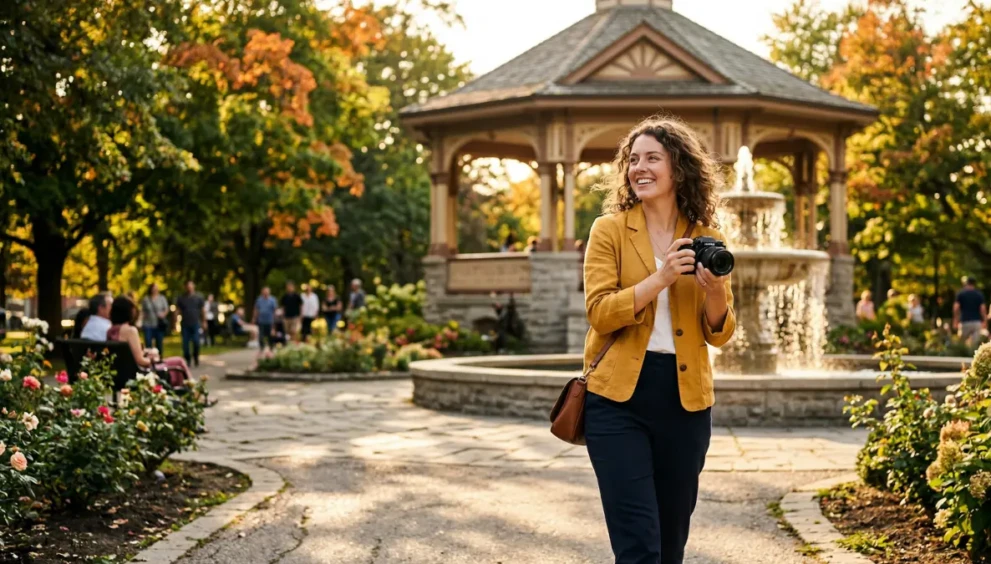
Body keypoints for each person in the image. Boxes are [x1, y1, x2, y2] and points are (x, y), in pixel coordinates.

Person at [581, 118, 736, 564]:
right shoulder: (608, 230)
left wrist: (715, 291)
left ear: (678, 169)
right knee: (638, 548)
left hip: (686, 403)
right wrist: (662, 278)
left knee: (670, 547)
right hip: (616, 400)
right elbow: (600, 313)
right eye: (633, 159)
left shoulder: (709, 238)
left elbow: (720, 332)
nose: (639, 168)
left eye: (652, 158)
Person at [106, 296, 191, 388]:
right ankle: (193, 391)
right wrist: (153, 359)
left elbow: (127, 355)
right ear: (128, 311)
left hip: (120, 374)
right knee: (179, 361)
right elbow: (140, 361)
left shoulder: (110, 331)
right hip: (139, 373)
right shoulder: (130, 331)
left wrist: (146, 353)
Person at [175, 281, 206, 367]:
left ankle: (196, 356)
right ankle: (187, 359)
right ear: (185, 287)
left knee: (196, 342)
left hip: (196, 323)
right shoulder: (181, 298)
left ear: (194, 286)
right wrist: (175, 322)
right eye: (188, 286)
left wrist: (204, 321)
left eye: (191, 286)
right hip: (185, 324)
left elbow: (203, 310)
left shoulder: (199, 297)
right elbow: (177, 311)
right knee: (185, 344)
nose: (189, 288)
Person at [954, 277, 987, 347]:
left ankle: (962, 356)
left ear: (966, 283)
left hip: (965, 321)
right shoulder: (979, 295)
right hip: (976, 322)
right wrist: (984, 320)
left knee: (961, 343)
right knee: (974, 345)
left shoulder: (961, 294)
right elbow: (982, 309)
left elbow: (956, 308)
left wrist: (956, 320)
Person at [141, 283, 169, 352]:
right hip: (148, 324)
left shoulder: (162, 298)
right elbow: (142, 311)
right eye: (153, 288)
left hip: (158, 324)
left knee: (159, 344)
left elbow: (166, 309)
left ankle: (159, 359)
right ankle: (149, 359)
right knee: (148, 343)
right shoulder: (146, 299)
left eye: (156, 288)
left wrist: (163, 314)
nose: (155, 290)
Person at [253, 287, 278, 351]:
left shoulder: (273, 300)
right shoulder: (259, 300)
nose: (265, 293)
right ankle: (262, 347)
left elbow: (275, 310)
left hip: (270, 321)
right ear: (262, 292)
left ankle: (271, 346)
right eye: (264, 291)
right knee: (261, 335)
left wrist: (275, 319)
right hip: (261, 320)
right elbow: (256, 309)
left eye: (267, 291)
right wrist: (254, 318)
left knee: (270, 335)